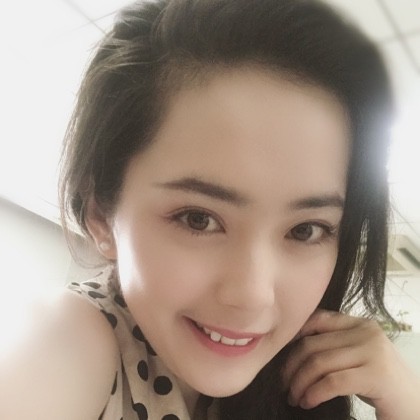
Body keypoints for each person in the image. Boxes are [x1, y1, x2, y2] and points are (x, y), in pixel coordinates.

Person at [1, 0, 419, 419]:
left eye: (306, 230)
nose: (252, 296)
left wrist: (405, 399)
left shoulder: (299, 374)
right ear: (100, 215)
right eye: (198, 219)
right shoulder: (66, 337)